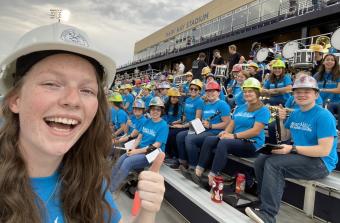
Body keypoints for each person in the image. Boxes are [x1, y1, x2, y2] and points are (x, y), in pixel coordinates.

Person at [0, 22, 166, 223]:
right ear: (15, 99)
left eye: (86, 90)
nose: (72, 100)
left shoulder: (88, 179)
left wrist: (147, 212)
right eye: (51, 83)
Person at [245, 75, 338, 223]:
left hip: (321, 162)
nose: (301, 95)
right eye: (297, 92)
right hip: (302, 155)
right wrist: (281, 120)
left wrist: (292, 148)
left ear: (316, 94)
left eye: (306, 91)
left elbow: (324, 151)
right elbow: (285, 136)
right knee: (261, 160)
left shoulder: (324, 116)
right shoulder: (295, 114)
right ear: (293, 95)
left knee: (274, 164)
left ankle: (268, 215)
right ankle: (263, 202)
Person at [192, 78, 270, 185]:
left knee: (224, 143)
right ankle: (198, 172)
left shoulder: (263, 109)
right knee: (210, 139)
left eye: (250, 91)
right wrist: (225, 133)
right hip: (237, 140)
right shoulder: (240, 108)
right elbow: (232, 123)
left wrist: (233, 136)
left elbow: (255, 131)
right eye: (245, 91)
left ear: (257, 92)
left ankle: (212, 177)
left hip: (252, 144)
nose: (247, 94)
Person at [110, 97, 169, 192]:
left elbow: (155, 146)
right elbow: (139, 138)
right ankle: (108, 182)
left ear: (161, 111)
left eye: (158, 109)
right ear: (149, 110)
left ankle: (111, 189)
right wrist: (132, 149)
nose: (155, 112)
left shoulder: (164, 126)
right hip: (140, 150)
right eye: (153, 109)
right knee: (121, 159)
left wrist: (136, 151)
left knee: (127, 162)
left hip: (151, 154)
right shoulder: (147, 121)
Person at [180, 81, 231, 176]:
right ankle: (184, 161)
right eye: (208, 91)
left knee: (190, 138)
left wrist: (211, 126)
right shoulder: (205, 104)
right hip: (204, 129)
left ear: (218, 92)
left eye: (213, 91)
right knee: (182, 135)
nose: (210, 93)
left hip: (215, 132)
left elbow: (227, 124)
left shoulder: (222, 104)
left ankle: (193, 166)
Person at [313, 54, 340, 128]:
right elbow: (311, 87)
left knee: (329, 107)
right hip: (320, 102)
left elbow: (339, 90)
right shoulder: (317, 75)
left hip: (336, 102)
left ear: (335, 63)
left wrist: (323, 90)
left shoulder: (338, 74)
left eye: (332, 60)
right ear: (323, 62)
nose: (330, 61)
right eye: (327, 59)